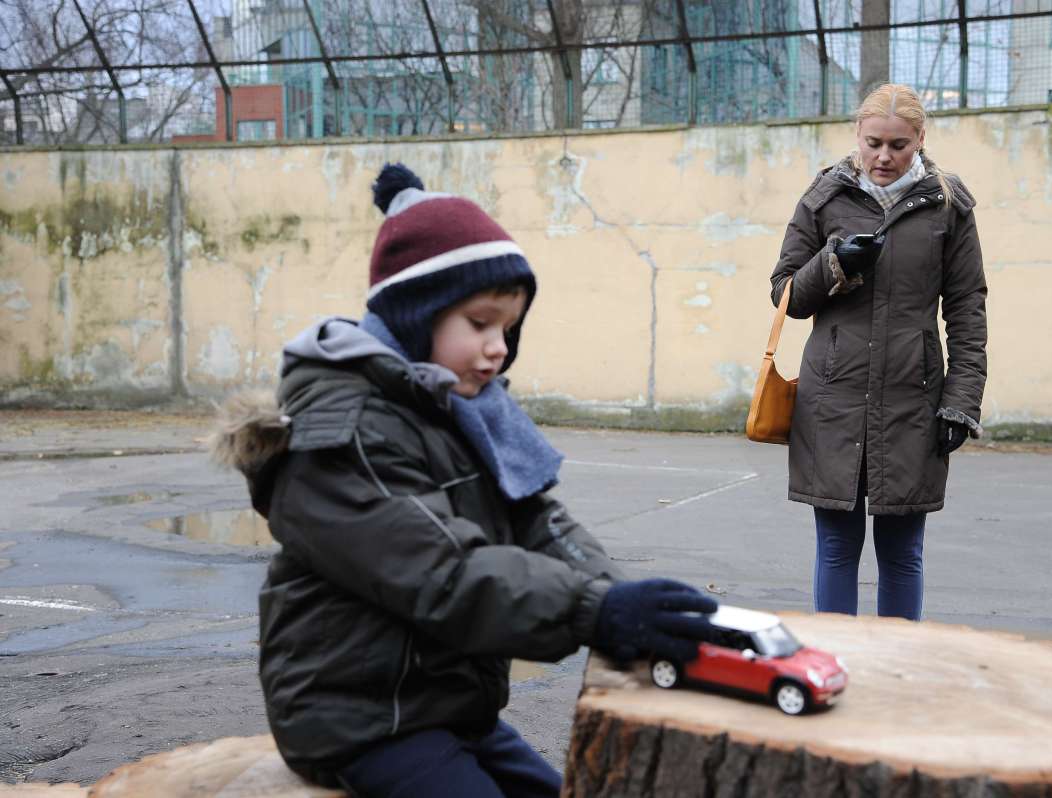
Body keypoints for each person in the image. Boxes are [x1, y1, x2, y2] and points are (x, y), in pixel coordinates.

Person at [211, 162, 716, 797]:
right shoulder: (345, 433)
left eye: (508, 328)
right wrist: (595, 611)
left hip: (446, 705)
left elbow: (536, 520)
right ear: (417, 317)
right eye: (479, 324)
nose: (499, 346)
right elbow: (442, 571)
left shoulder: (462, 410)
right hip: (360, 717)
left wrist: (626, 599)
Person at [768, 83, 988, 622]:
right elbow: (785, 293)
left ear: (920, 139)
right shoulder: (824, 196)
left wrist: (962, 401)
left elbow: (966, 307)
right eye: (873, 143)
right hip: (833, 400)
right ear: (857, 137)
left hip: (913, 400)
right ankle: (835, 664)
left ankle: (897, 668)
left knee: (901, 552)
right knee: (837, 549)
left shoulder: (948, 206)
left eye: (898, 145)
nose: (883, 157)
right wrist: (833, 262)